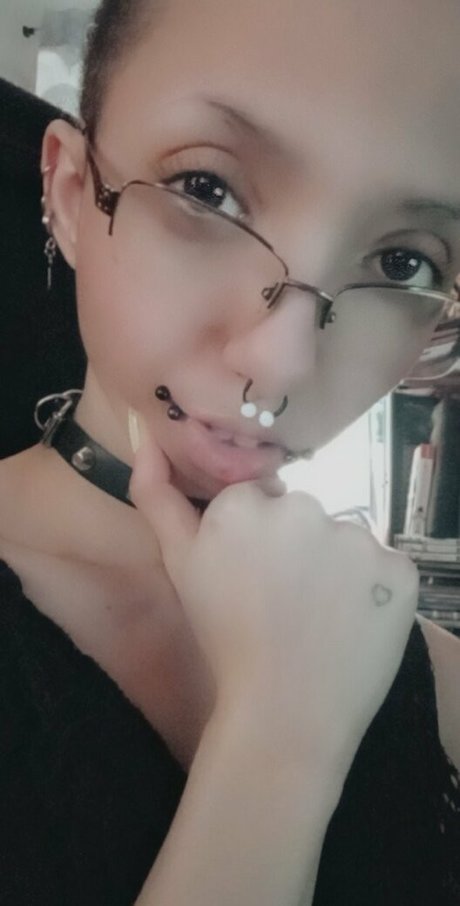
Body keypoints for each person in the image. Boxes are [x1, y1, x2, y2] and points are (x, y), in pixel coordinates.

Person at [1, 0, 459, 903]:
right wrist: (281, 737)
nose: (280, 364)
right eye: (206, 190)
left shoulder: (436, 679)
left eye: (403, 262)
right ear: (70, 193)